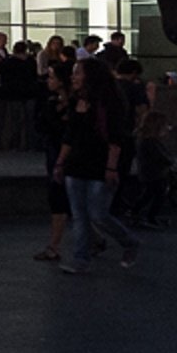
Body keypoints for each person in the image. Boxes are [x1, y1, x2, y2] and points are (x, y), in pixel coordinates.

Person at [57, 60, 139, 275]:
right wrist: (61, 161)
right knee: (79, 214)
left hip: (101, 162)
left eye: (77, 73)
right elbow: (70, 134)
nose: (73, 77)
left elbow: (115, 137)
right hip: (77, 161)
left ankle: (129, 240)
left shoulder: (108, 102)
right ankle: (80, 258)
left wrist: (112, 167)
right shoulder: (76, 100)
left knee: (98, 213)